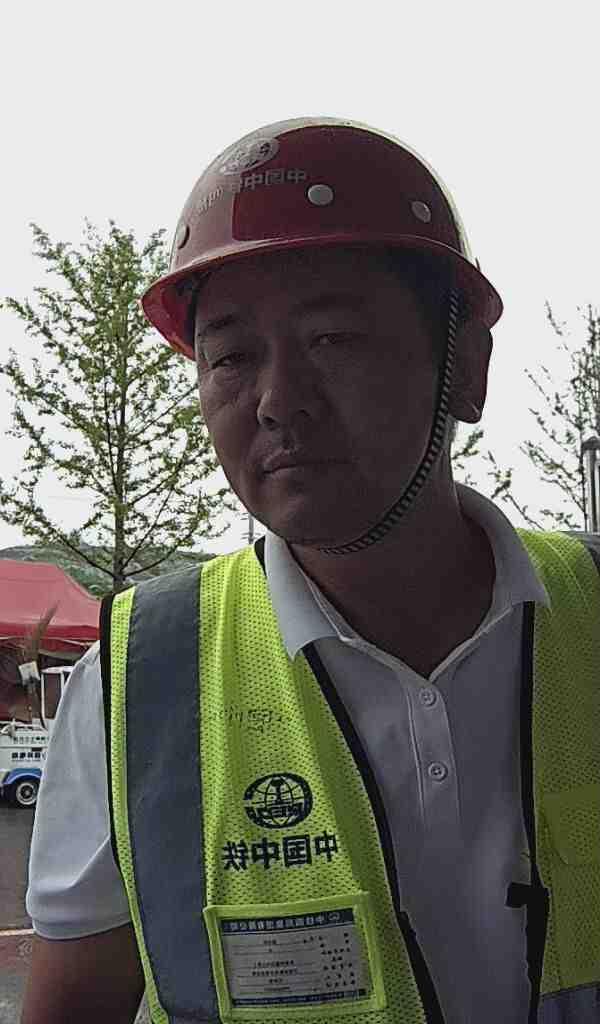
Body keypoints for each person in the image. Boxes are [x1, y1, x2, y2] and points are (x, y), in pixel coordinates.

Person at [21, 119, 600, 1024]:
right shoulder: (139, 687)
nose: (278, 400)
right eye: (230, 356)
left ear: (467, 370)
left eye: (334, 339)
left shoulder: (592, 614)